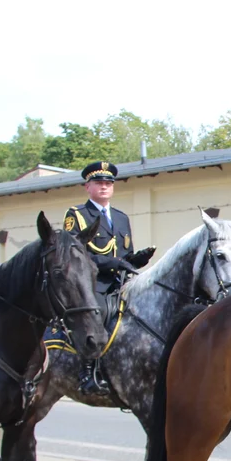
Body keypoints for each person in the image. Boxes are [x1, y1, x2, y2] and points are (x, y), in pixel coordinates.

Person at [63, 161, 155, 394]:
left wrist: (138, 259)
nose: (104, 187)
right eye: (98, 183)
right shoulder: (78, 215)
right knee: (97, 314)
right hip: (93, 283)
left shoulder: (121, 218)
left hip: (121, 282)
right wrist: (114, 263)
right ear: (87, 187)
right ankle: (88, 371)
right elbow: (77, 255)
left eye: (108, 183)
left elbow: (125, 256)